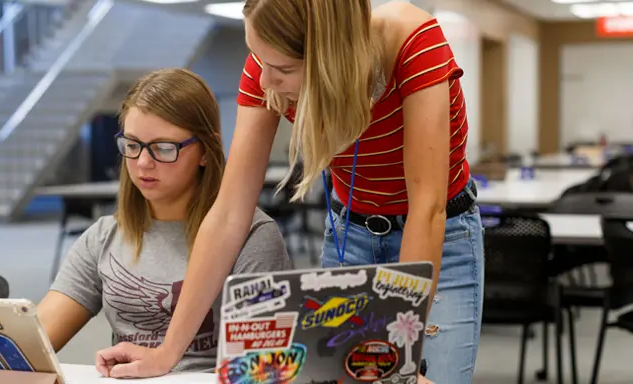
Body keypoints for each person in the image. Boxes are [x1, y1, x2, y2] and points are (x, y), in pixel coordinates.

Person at [87, 2, 483, 384]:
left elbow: (427, 208)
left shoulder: (413, 42)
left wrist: (401, 356)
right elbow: (229, 213)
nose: (265, 81)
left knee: (408, 379)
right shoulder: (267, 64)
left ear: (333, 56)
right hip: (352, 236)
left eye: (283, 69)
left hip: (439, 236)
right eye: (259, 61)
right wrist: (167, 352)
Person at [0, 68, 291, 376]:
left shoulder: (253, 238)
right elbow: (34, 341)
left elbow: (261, 368)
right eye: (132, 145)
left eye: (163, 148)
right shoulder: (105, 237)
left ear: (205, 150)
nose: (142, 163)